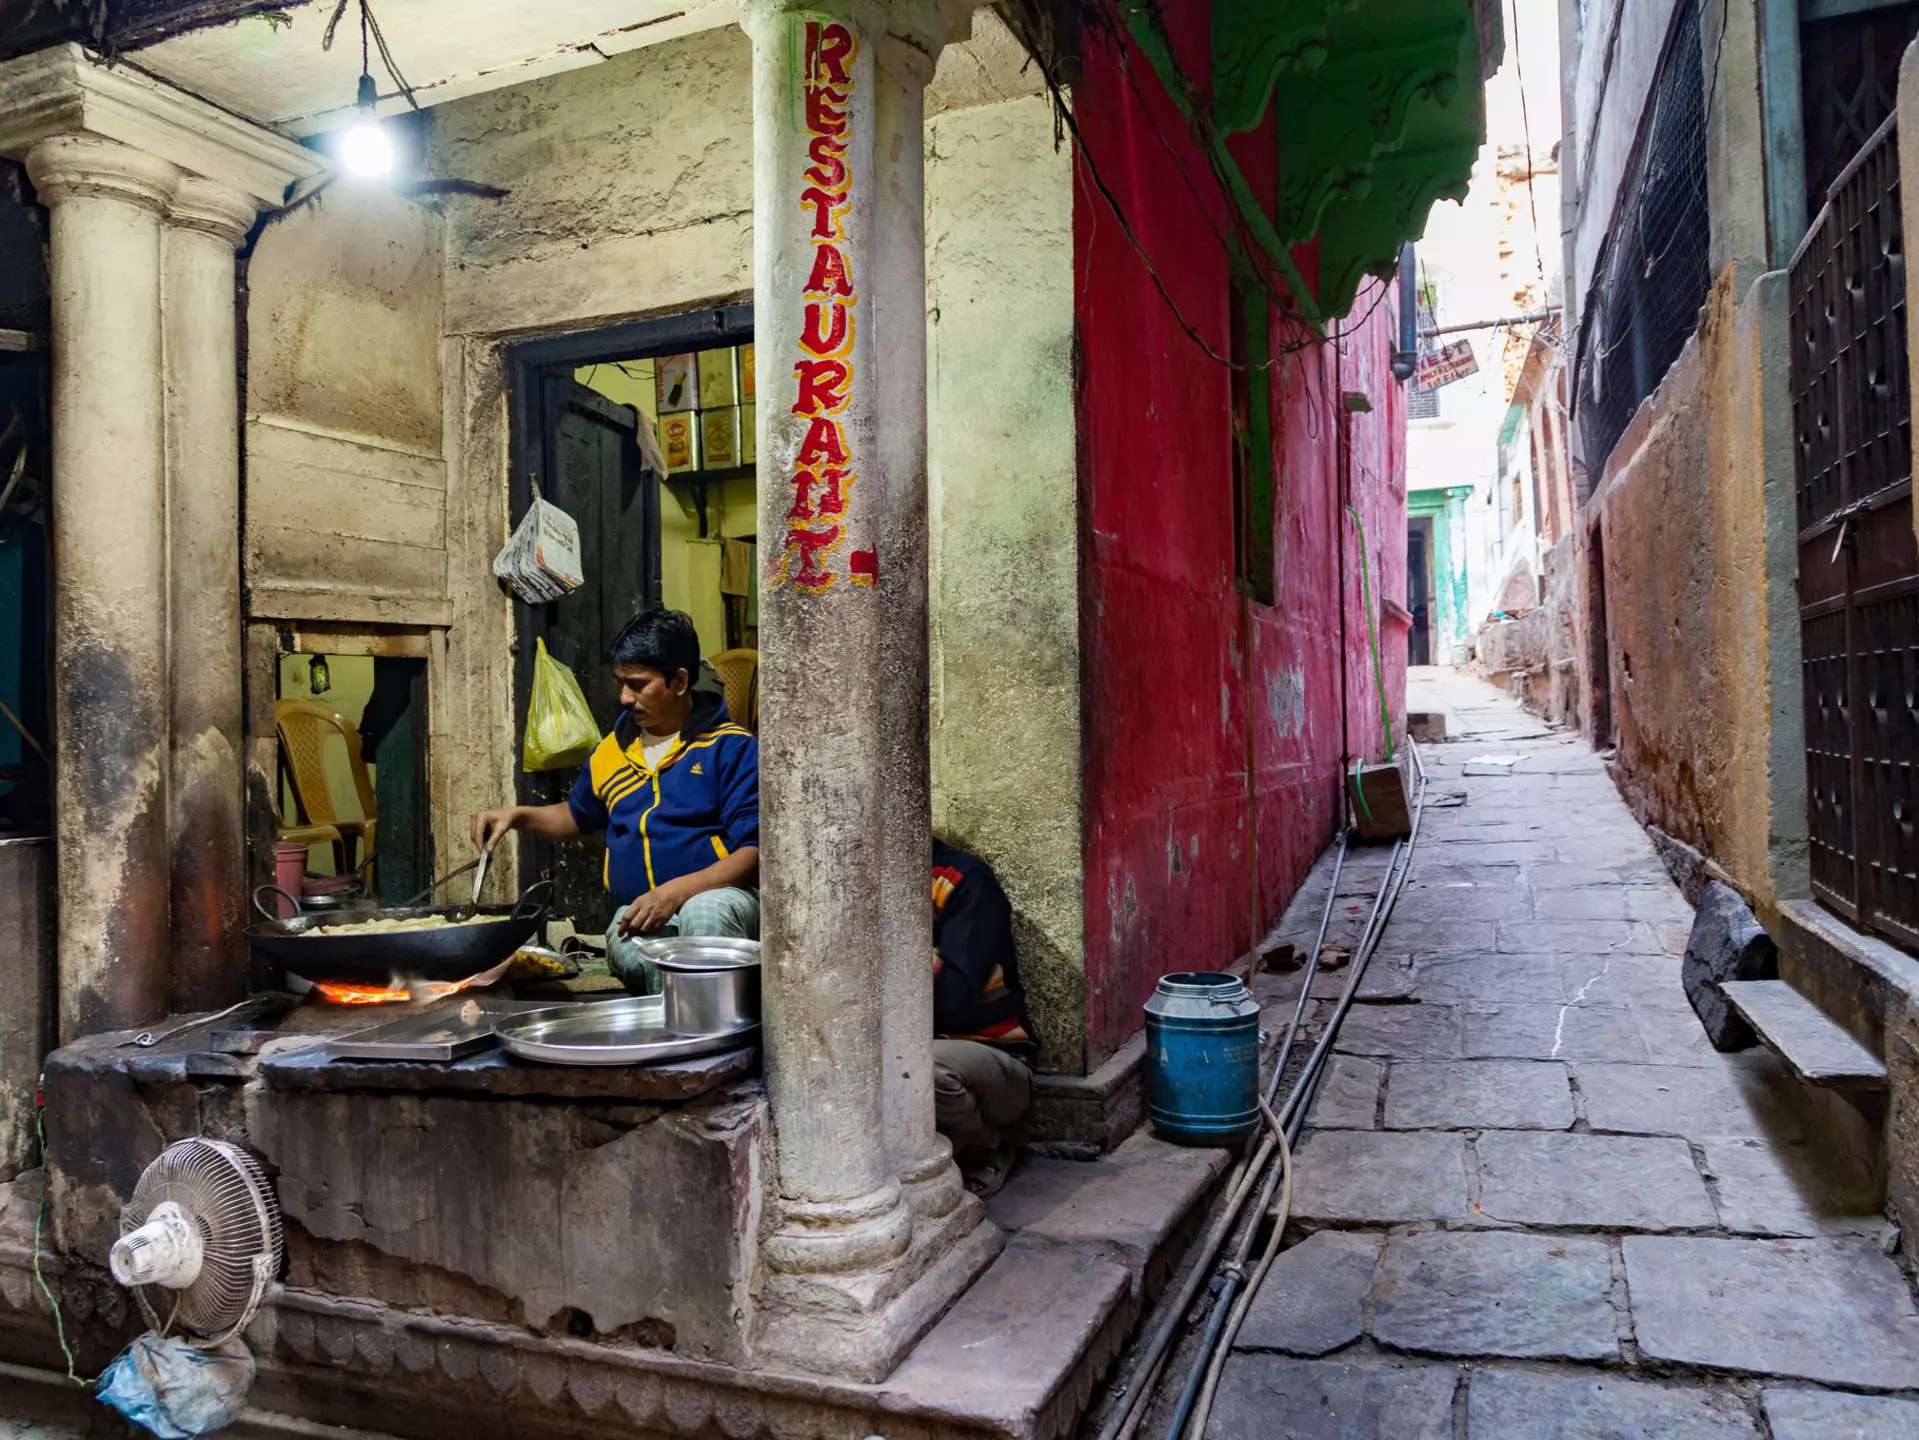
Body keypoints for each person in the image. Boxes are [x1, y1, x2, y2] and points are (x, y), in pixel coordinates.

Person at [473, 609, 759, 992]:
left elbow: (754, 854)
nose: (625, 697)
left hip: (722, 903)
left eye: (639, 684)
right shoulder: (612, 751)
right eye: (621, 683)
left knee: (703, 914)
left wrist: (674, 893)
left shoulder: (730, 748)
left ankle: (716, 1036)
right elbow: (577, 815)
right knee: (637, 956)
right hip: (640, 911)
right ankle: (691, 1025)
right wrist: (517, 816)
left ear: (679, 681)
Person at [931, 839, 1038, 1198]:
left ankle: (986, 1142)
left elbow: (954, 1005)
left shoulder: (962, 880)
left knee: (918, 1068)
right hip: (911, 1049)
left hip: (994, 1060)